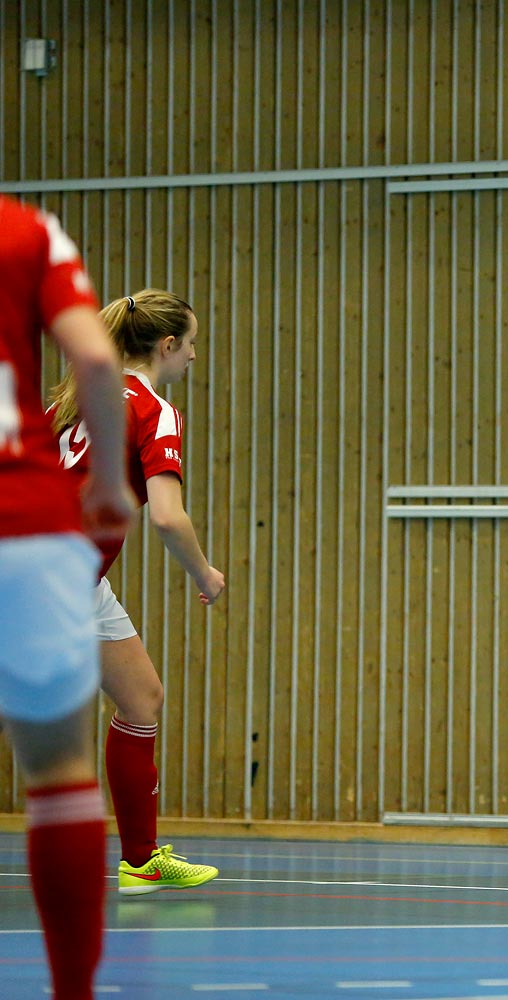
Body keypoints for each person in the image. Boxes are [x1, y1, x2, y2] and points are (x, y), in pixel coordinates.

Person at [0, 195, 136, 1000]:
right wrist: (109, 488)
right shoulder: (28, 231)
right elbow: (94, 363)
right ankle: (71, 993)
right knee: (57, 770)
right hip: (26, 521)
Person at [49, 288, 224, 896]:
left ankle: (141, 860)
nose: (194, 357)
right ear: (167, 346)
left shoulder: (83, 393)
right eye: (192, 344)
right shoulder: (153, 408)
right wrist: (205, 574)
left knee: (142, 698)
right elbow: (168, 517)